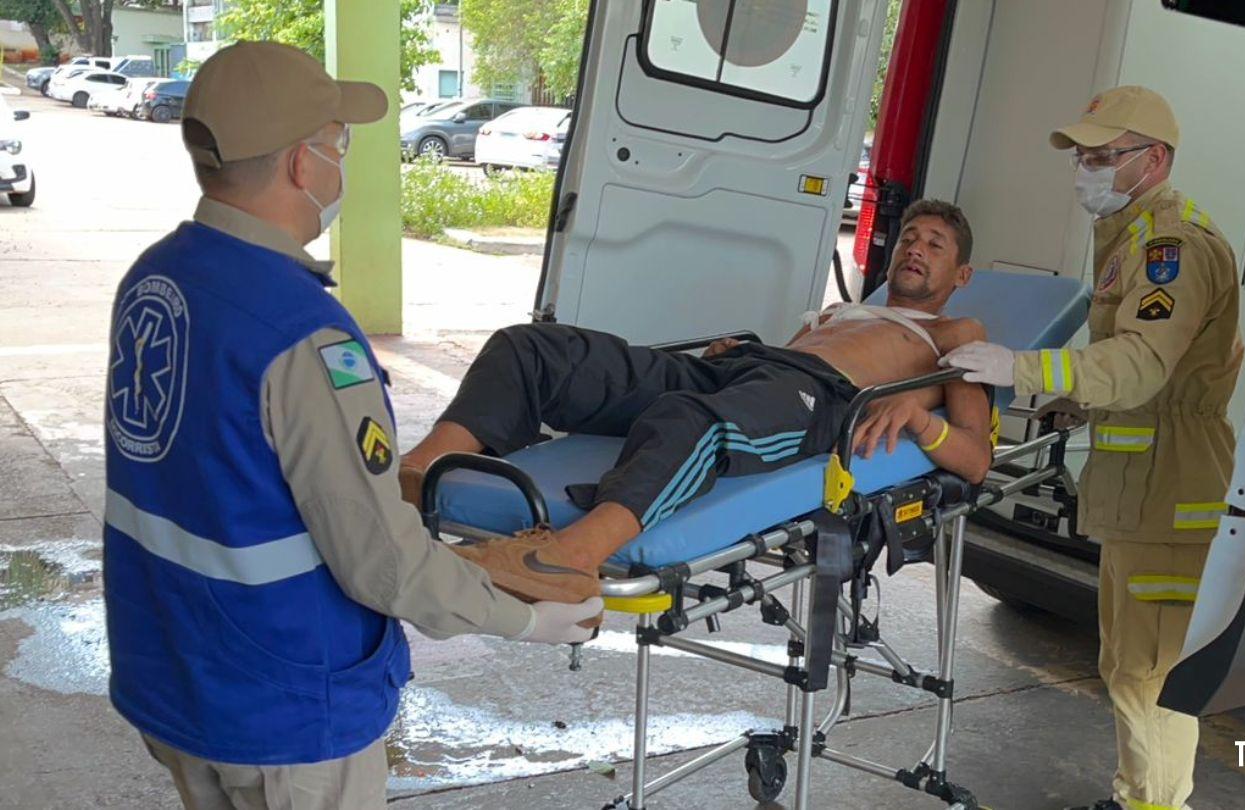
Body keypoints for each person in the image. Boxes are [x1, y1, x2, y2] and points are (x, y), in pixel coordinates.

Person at [102, 41, 600, 810]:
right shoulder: (304, 337)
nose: (341, 165)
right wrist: (525, 621)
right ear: (304, 166)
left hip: (173, 672)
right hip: (286, 709)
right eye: (339, 144)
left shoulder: (156, 277)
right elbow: (380, 561)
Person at [399, 199, 996, 605]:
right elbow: (772, 376)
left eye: (936, 245)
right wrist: (738, 355)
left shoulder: (957, 333)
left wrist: (920, 417)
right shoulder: (845, 309)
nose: (916, 249)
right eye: (911, 238)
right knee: (532, 349)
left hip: (818, 399)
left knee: (693, 421)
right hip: (747, 373)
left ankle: (569, 558)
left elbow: (976, 459)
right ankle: (412, 482)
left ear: (961, 273)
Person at [941, 86, 1243, 810]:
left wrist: (1024, 368)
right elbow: (1135, 371)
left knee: (1152, 672)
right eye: (1083, 156)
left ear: (1154, 159)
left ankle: (1153, 804)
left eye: (1104, 156)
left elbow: (1142, 362)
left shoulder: (1173, 248)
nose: (1087, 169)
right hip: (1144, 484)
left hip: (1171, 484)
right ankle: (1139, 795)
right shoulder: (1133, 240)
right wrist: (1065, 393)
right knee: (1129, 663)